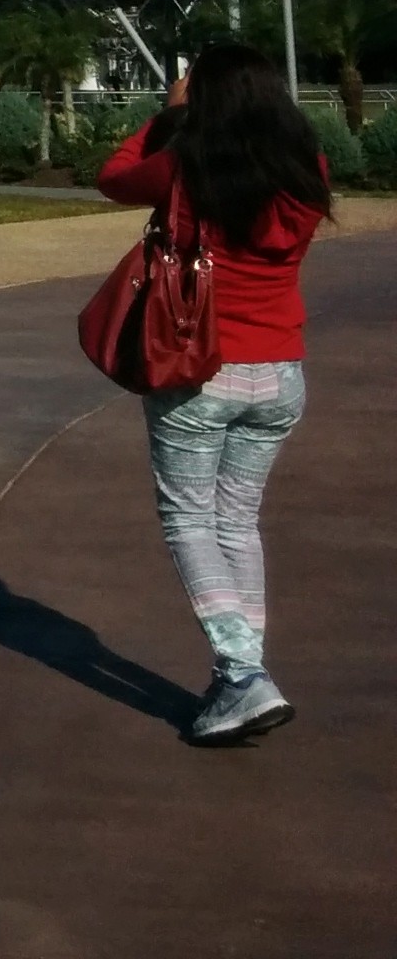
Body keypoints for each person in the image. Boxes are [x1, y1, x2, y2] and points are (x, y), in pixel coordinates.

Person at [97, 41, 332, 745]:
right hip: (280, 372)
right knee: (237, 523)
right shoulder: (307, 168)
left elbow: (113, 177)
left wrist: (167, 115)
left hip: (199, 371)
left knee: (190, 522)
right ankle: (241, 679)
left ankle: (243, 676)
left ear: (205, 96)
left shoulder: (186, 164)